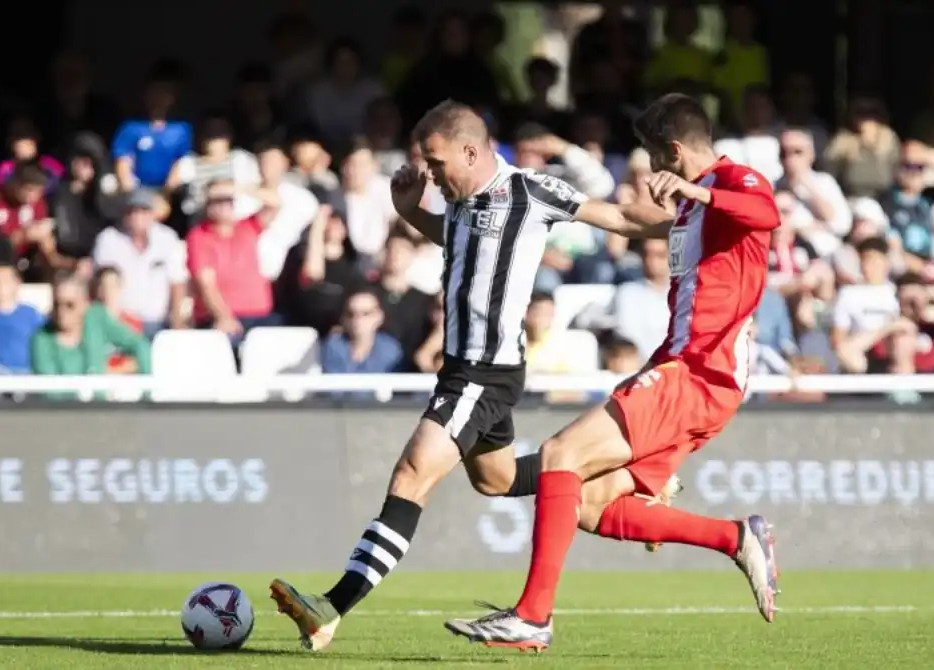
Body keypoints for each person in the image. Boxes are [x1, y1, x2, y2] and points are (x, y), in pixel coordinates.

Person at [267, 99, 678, 653]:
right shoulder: (459, 201)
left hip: (485, 372)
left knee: (412, 473)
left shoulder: (531, 191)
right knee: (497, 480)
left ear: (469, 150)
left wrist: (675, 214)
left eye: (436, 165)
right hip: (462, 369)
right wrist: (413, 212)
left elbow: (623, 220)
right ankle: (631, 471)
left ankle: (330, 607)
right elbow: (457, 238)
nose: (432, 176)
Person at [444, 93, 781, 650]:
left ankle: (532, 617)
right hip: (683, 369)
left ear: (675, 150)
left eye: (652, 156)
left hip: (701, 372)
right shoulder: (694, 209)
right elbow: (644, 223)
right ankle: (736, 538)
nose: (648, 169)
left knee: (560, 456)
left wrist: (698, 189)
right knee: (593, 507)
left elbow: (767, 214)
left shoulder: (736, 180)